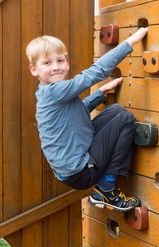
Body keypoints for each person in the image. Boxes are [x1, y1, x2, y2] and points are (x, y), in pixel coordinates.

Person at [26, 27, 148, 212]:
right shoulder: (54, 91)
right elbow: (95, 73)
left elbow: (77, 113)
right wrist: (130, 43)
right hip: (81, 172)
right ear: (34, 69)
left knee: (115, 110)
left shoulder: (50, 93)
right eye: (47, 63)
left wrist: (101, 92)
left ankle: (104, 187)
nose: (56, 66)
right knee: (125, 118)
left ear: (67, 63)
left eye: (60, 60)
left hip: (72, 167)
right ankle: (107, 189)